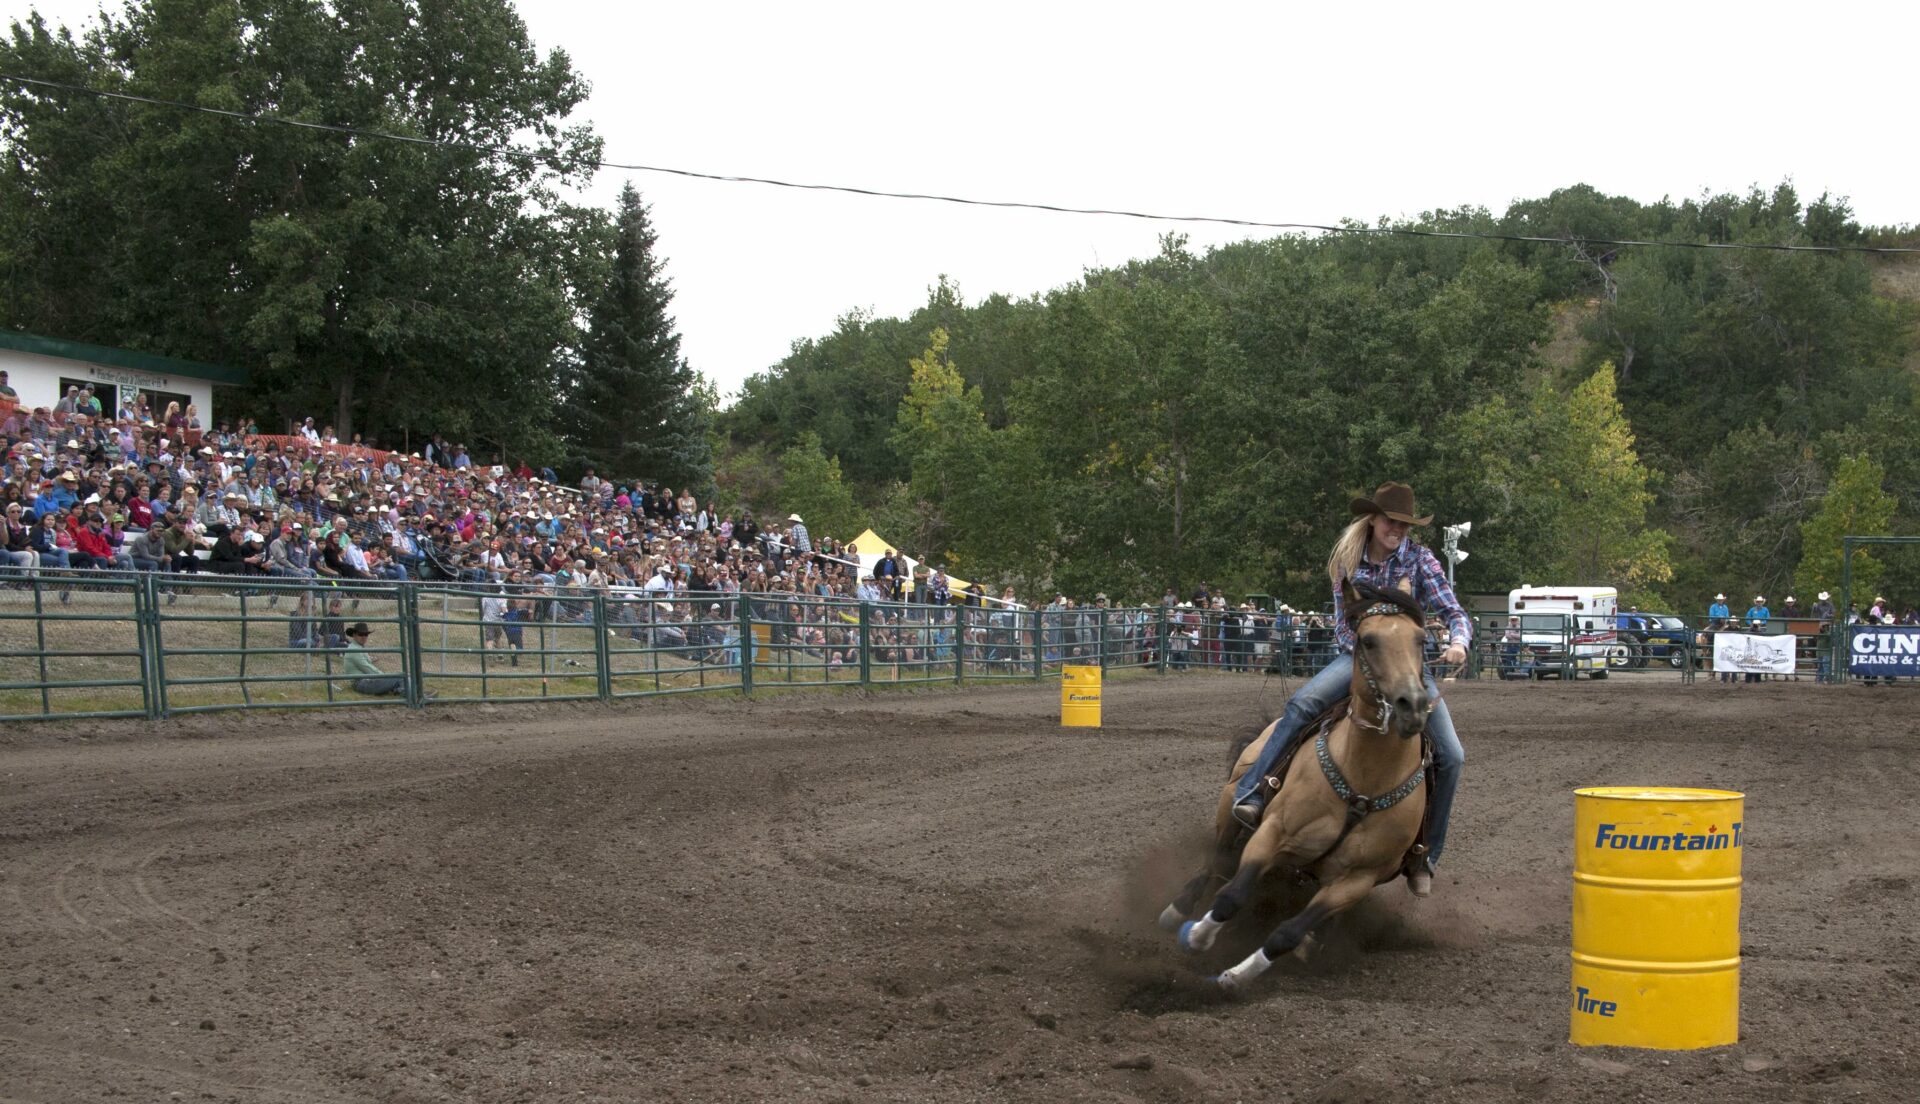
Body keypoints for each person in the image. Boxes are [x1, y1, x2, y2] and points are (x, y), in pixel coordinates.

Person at [1228, 482, 1469, 898]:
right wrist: (1368, 658)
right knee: (1302, 705)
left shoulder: (1421, 560)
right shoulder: (1347, 561)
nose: (1397, 530)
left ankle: (1423, 854)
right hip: (1358, 658)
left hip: (1407, 666)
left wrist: (1459, 641)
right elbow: (1343, 627)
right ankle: (1253, 791)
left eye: (1404, 524)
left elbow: (1453, 611)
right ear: (1373, 520)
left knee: (1451, 755)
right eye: (1391, 521)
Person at [339, 621, 425, 697]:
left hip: (364, 681)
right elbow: (368, 669)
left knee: (403, 677)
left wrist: (385, 677)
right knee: (402, 677)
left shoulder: (357, 647)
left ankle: (409, 693)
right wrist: (384, 676)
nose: (364, 637)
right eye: (361, 634)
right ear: (354, 635)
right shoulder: (355, 650)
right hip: (361, 683)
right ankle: (412, 696)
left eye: (366, 634)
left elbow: (369, 669)